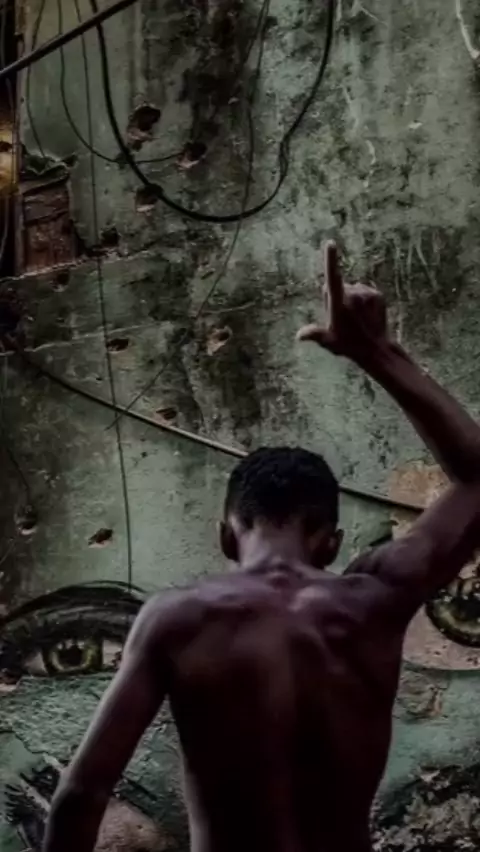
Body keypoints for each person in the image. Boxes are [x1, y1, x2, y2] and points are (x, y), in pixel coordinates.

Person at [42, 242, 480, 852]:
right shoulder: (375, 600)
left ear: (226, 534)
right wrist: (379, 354)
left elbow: (82, 793)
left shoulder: (178, 619)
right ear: (330, 543)